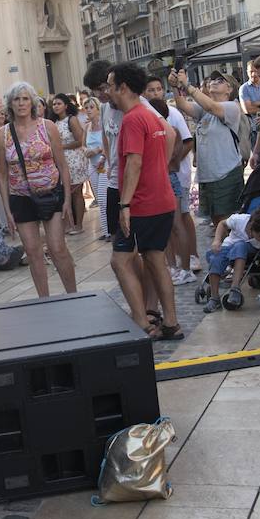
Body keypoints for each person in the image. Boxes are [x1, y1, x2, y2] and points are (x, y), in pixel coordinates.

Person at [110, 62, 182, 340]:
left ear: (123, 87)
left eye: (111, 86)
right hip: (162, 199)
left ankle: (141, 322)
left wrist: (125, 205)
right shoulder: (151, 115)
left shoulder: (131, 119)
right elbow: (171, 137)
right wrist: (160, 170)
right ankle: (172, 323)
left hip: (142, 203)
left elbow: (134, 162)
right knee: (155, 260)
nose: (109, 92)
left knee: (120, 262)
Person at [0, 81, 77, 297]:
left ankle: (74, 295)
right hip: (21, 198)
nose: (21, 103)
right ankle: (44, 300)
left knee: (57, 248)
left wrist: (67, 199)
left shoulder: (47, 126)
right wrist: (7, 211)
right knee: (32, 251)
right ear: (10, 104)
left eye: (25, 98)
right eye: (16, 99)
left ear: (32, 102)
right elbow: (2, 176)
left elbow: (62, 165)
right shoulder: (2, 136)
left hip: (51, 193)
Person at [172, 72, 245, 227]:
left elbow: (212, 106)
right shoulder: (204, 110)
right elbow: (182, 105)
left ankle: (228, 250)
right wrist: (175, 86)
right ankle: (221, 248)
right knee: (215, 220)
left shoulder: (232, 107)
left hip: (225, 174)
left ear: (229, 89)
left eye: (220, 80)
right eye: (212, 79)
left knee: (227, 222)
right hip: (208, 176)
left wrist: (187, 86)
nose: (214, 82)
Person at [144, 77, 197, 284]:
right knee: (165, 227)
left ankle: (185, 268)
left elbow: (174, 160)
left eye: (158, 89)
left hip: (169, 180)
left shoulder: (170, 132)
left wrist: (164, 165)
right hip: (161, 180)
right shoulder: (157, 131)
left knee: (177, 224)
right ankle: (173, 267)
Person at [203, 207, 260, 315]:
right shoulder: (239, 220)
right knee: (216, 259)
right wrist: (217, 240)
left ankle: (235, 288)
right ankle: (214, 298)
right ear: (251, 227)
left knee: (240, 246)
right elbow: (222, 224)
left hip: (247, 251)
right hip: (229, 246)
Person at [49, 93, 89, 235]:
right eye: (54, 104)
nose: (56, 106)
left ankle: (78, 224)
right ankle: (68, 224)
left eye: (59, 103)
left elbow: (80, 140)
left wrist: (62, 147)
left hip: (73, 158)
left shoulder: (71, 120)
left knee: (75, 192)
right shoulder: (52, 122)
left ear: (66, 105)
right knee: (63, 193)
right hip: (59, 160)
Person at [82, 96, 109, 239]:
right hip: (92, 164)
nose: (88, 110)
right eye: (86, 108)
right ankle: (105, 231)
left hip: (104, 163)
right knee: (99, 198)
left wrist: (98, 151)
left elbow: (108, 143)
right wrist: (86, 150)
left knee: (104, 197)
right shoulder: (87, 127)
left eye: (91, 107)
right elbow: (82, 144)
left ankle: (110, 230)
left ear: (98, 109)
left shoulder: (104, 123)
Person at [238, 58, 260, 149]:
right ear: (247, 72)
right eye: (251, 71)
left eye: (255, 71)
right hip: (254, 130)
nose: (253, 74)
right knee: (258, 158)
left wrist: (255, 103)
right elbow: (247, 109)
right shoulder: (244, 88)